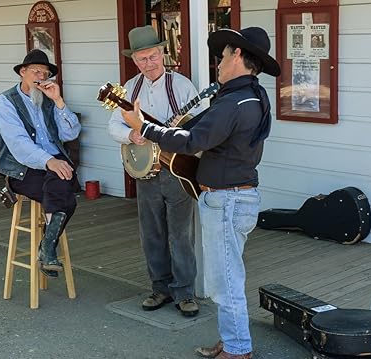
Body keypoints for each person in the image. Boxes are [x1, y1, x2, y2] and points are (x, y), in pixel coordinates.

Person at [120, 27, 280, 359]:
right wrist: (154, 126)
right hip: (233, 197)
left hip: (227, 199)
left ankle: (237, 351)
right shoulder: (248, 96)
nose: (217, 63)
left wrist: (143, 127)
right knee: (227, 278)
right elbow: (192, 128)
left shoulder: (236, 101)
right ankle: (232, 340)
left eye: (222, 56)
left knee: (226, 283)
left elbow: (192, 141)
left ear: (237, 55)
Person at [108, 25, 201, 317]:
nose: (148, 64)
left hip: (176, 171)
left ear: (163, 53)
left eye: (152, 57)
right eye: (141, 59)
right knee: (152, 234)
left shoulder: (182, 86)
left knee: (180, 234)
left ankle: (185, 293)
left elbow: (199, 125)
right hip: (145, 173)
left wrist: (175, 130)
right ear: (134, 60)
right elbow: (114, 125)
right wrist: (132, 136)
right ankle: (160, 288)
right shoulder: (129, 88)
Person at [0, 49, 81, 278]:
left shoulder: (48, 100)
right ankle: (47, 249)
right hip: (23, 170)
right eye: (36, 71)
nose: (40, 77)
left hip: (54, 165)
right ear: (22, 72)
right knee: (66, 197)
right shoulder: (7, 101)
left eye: (44, 73)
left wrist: (59, 101)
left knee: (61, 181)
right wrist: (49, 161)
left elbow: (70, 133)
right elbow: (18, 144)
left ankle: (47, 249)